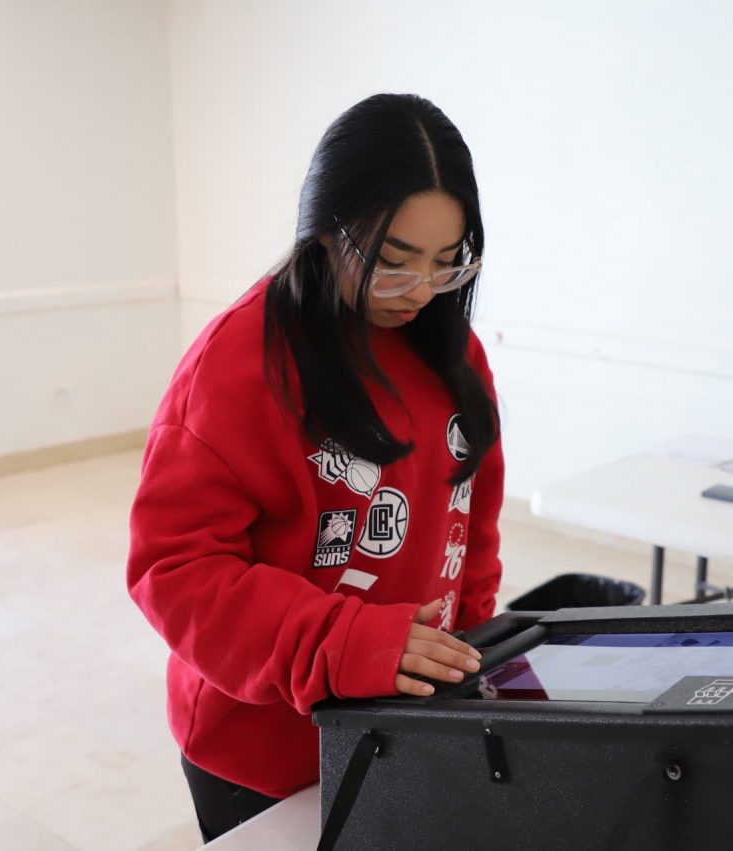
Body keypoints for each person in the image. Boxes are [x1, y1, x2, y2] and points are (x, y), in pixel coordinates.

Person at [126, 93, 503, 843]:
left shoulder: (452, 353)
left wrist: (469, 660)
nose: (420, 291)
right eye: (392, 262)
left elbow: (473, 533)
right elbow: (176, 570)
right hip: (265, 749)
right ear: (326, 231)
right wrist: (349, 643)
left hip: (408, 725)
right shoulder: (239, 365)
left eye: (445, 263)